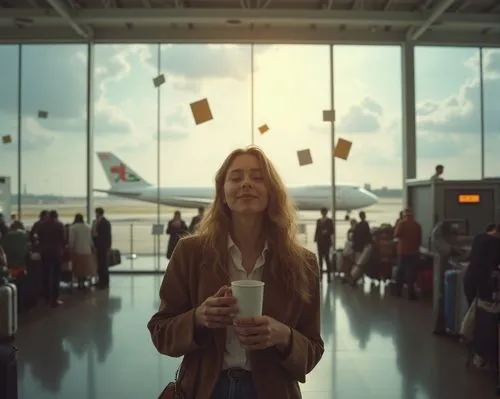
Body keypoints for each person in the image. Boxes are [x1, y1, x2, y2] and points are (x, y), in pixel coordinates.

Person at [148, 146, 324, 399]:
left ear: (272, 192)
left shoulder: (303, 263)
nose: (246, 184)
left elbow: (313, 351)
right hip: (204, 390)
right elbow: (161, 333)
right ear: (222, 193)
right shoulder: (190, 252)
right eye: (236, 177)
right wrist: (198, 318)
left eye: (257, 177)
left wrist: (282, 335)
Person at [463, 223, 500, 307]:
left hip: (469, 281)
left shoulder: (478, 237)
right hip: (482, 286)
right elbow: (493, 266)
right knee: (484, 315)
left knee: (473, 313)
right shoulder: (495, 243)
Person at [392, 208, 422, 300]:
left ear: (405, 215)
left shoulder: (401, 224)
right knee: (411, 273)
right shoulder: (417, 225)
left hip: (402, 251)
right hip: (413, 252)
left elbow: (396, 234)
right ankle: (411, 293)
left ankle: (398, 292)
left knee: (400, 271)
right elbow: (420, 238)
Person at [69, 213, 97, 290]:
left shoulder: (73, 228)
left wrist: (70, 248)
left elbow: (71, 240)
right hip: (87, 250)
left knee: (78, 269)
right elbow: (90, 240)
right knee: (85, 269)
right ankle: (84, 283)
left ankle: (79, 283)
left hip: (77, 251)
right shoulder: (88, 227)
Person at [92, 207, 112, 289]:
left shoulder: (104, 222)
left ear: (98, 213)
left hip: (103, 246)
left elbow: (106, 235)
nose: (95, 214)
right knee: (101, 264)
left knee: (103, 264)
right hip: (100, 246)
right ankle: (101, 281)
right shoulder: (98, 221)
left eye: (96, 213)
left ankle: (104, 282)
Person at [314, 207, 334, 281]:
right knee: (320, 260)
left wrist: (327, 232)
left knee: (327, 259)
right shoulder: (318, 221)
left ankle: (328, 277)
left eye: (324, 212)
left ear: (326, 212)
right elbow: (317, 230)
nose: (323, 213)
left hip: (326, 242)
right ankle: (321, 276)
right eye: (322, 212)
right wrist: (316, 239)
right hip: (320, 242)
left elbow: (332, 230)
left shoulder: (329, 221)